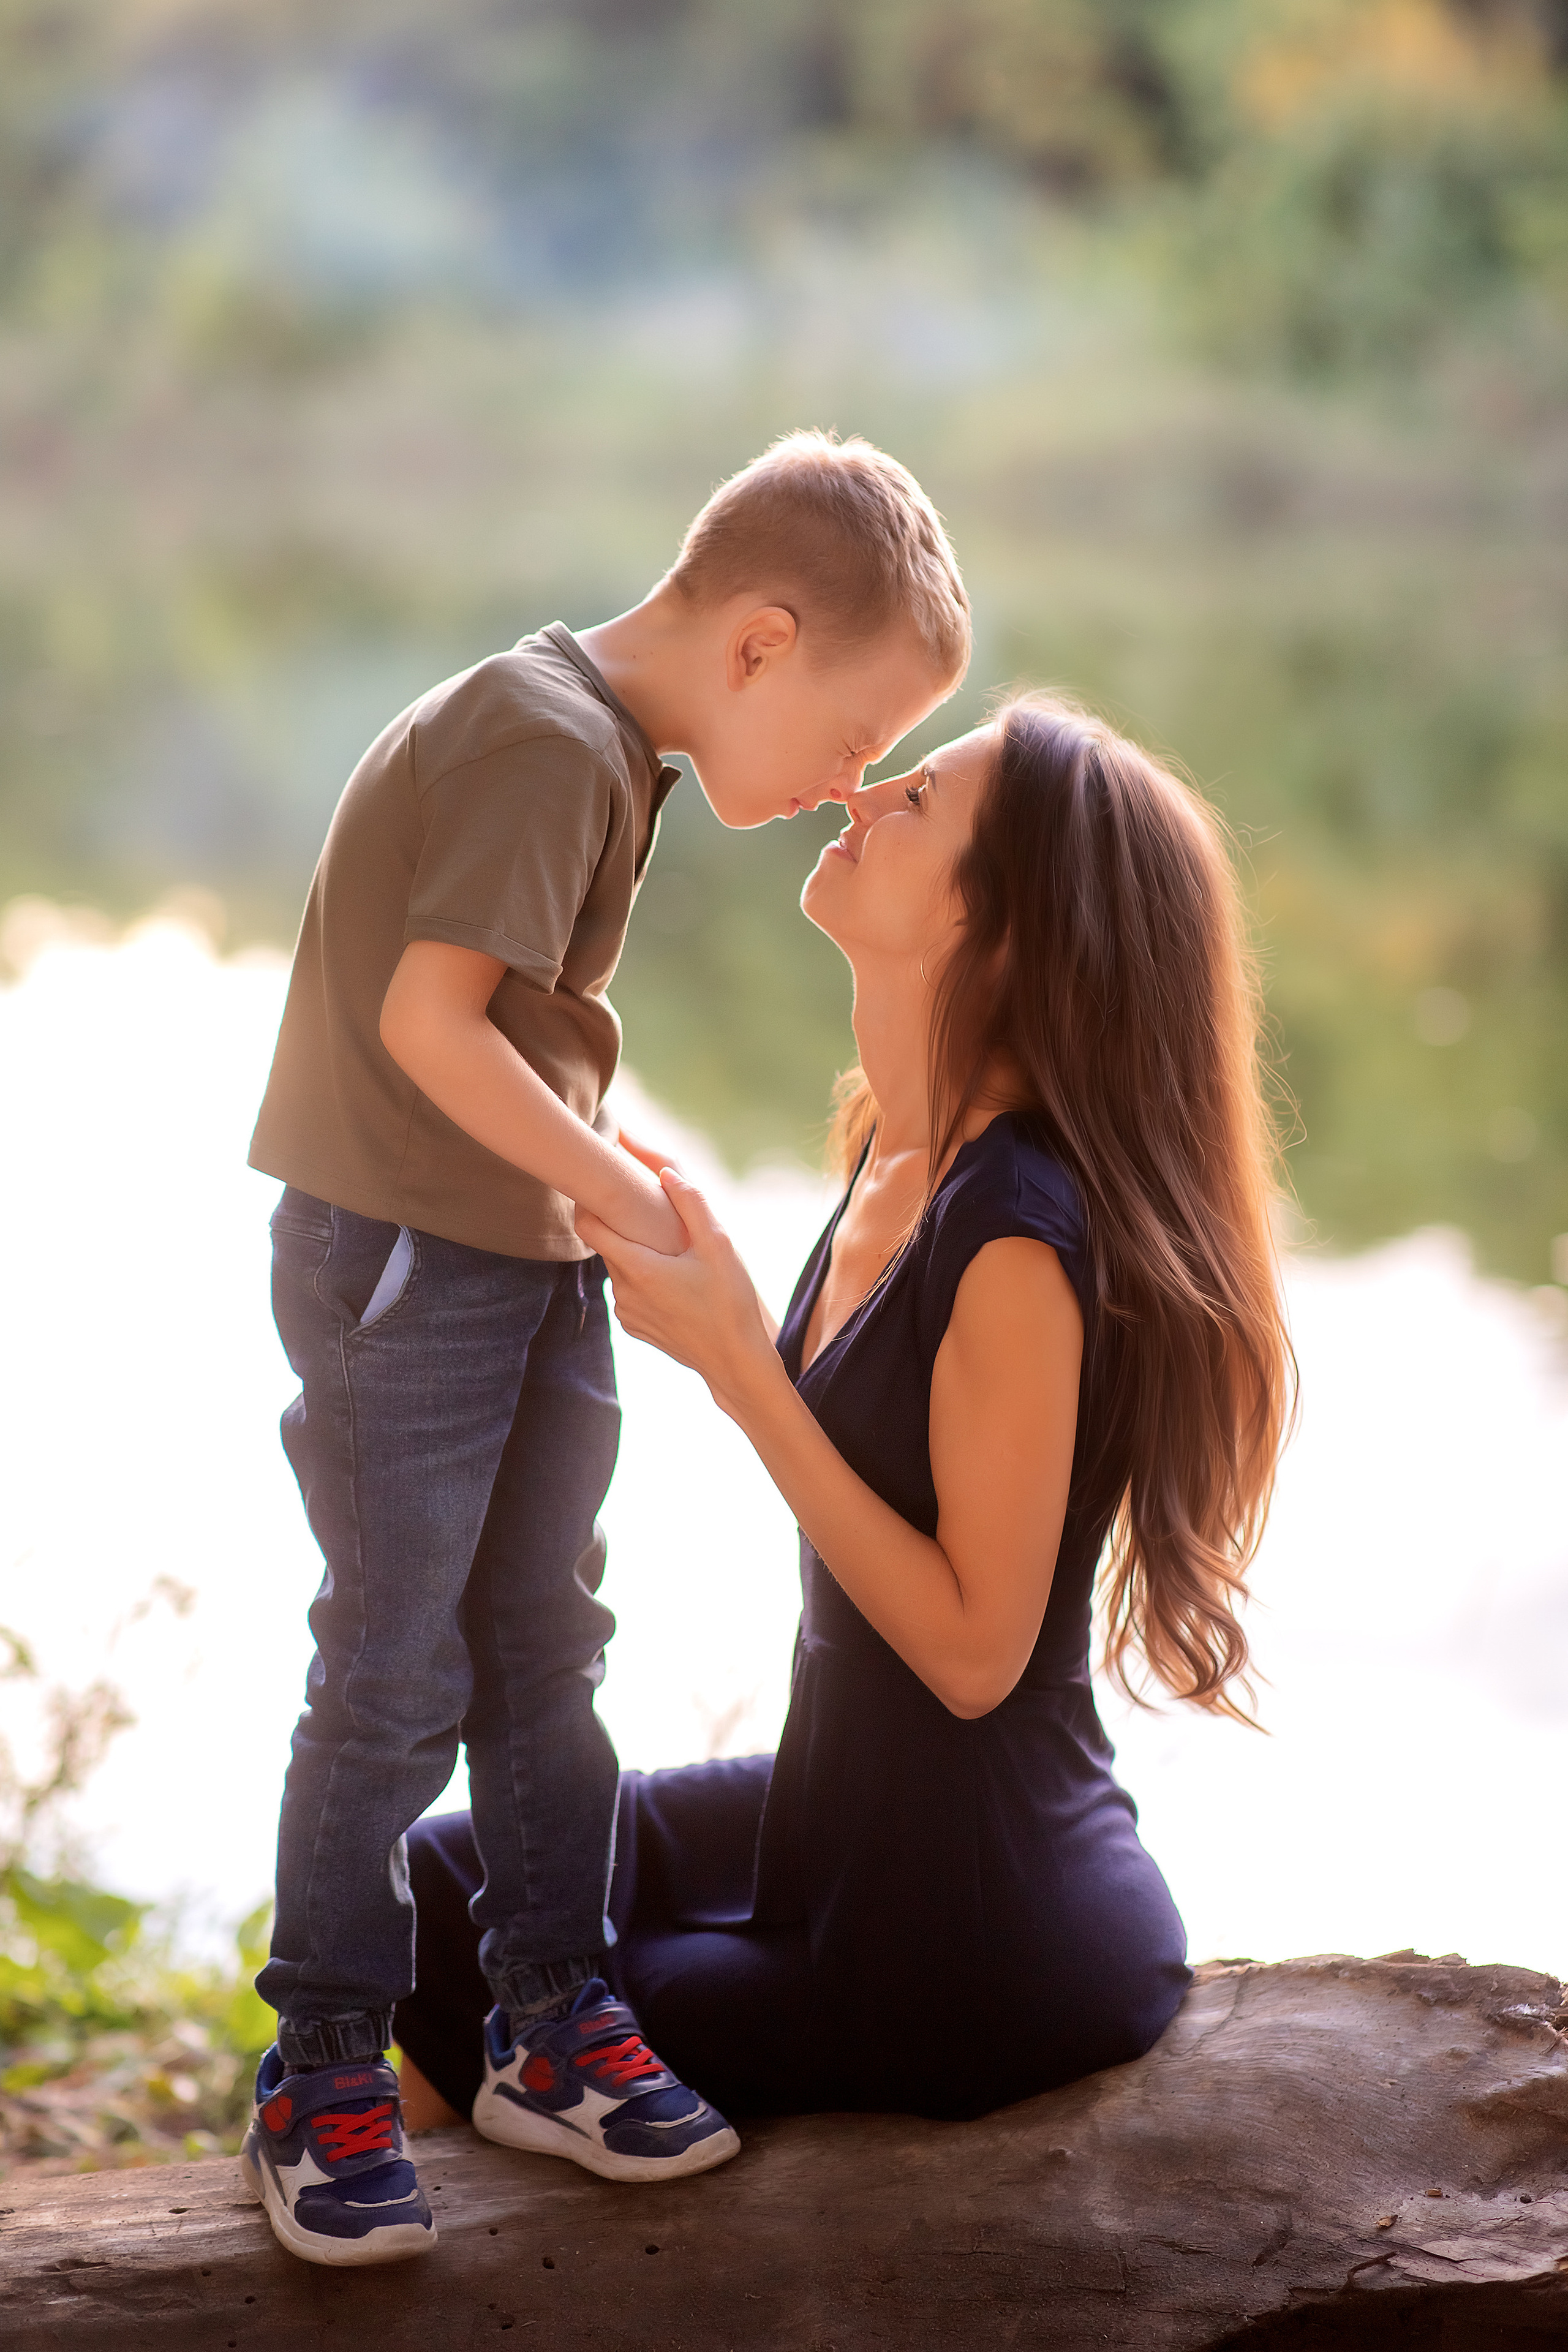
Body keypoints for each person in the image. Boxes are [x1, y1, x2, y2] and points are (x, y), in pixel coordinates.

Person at [239, 432, 971, 2266]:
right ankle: (324, 2064)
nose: (846, 786)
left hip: (514, 1241)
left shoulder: (605, 745)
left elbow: (522, 1029)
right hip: (409, 1260)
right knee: (394, 1668)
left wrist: (600, 1171)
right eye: (853, 735)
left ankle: (546, 2023)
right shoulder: (545, 735)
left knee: (548, 1645)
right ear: (760, 642)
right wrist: (619, 1193)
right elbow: (429, 1025)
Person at [391, 693, 1294, 2133]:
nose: (859, 795)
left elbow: (970, 1656)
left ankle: (445, 2279)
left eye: (916, 801)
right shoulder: (900, 1151)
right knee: (443, 1882)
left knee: (511, 1985)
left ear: (995, 923)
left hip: (971, 1936)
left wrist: (741, 1368)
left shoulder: (1010, 1232)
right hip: (836, 1821)